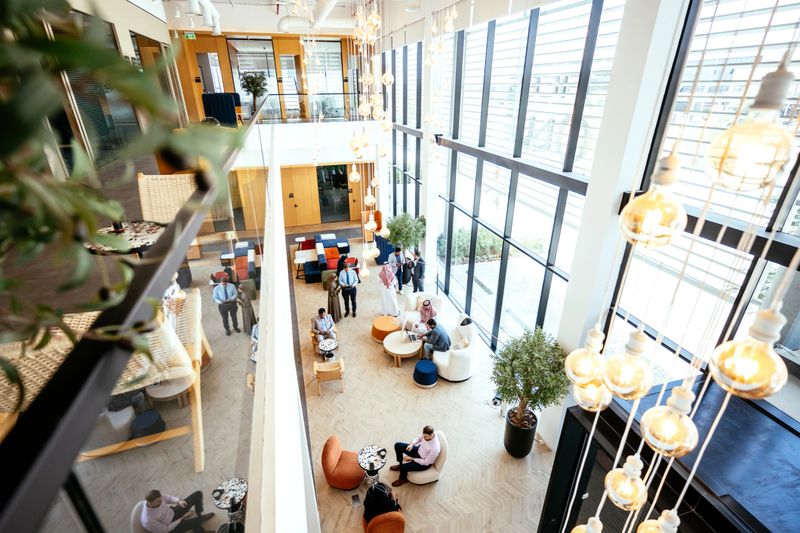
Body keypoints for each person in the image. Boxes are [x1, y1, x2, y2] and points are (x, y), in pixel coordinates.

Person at [140, 489, 214, 533]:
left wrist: (178, 501)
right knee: (195, 521)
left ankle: (200, 514)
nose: (161, 501)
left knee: (198, 494)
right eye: (159, 501)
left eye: (160, 499)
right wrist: (182, 517)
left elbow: (168, 498)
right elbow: (165, 530)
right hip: (170, 527)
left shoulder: (157, 498)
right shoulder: (148, 520)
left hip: (172, 512)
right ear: (150, 503)